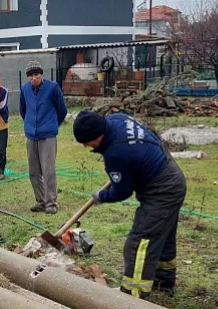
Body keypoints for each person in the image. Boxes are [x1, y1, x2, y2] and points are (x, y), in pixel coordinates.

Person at [72, 110, 187, 299]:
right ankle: (163, 283)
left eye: (87, 142)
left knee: (139, 243)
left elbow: (122, 191)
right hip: (171, 174)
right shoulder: (117, 119)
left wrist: (101, 196)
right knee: (162, 237)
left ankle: (133, 295)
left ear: (99, 136)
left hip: (162, 191)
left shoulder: (116, 154)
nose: (85, 146)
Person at [20, 60, 67, 214]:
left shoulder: (53, 88)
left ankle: (51, 202)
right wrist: (29, 125)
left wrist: (51, 125)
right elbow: (23, 110)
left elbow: (62, 111)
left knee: (48, 170)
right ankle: (40, 201)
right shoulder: (25, 89)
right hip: (31, 135)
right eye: (31, 76)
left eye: (36, 74)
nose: (34, 78)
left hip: (47, 135)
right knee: (34, 171)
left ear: (41, 74)